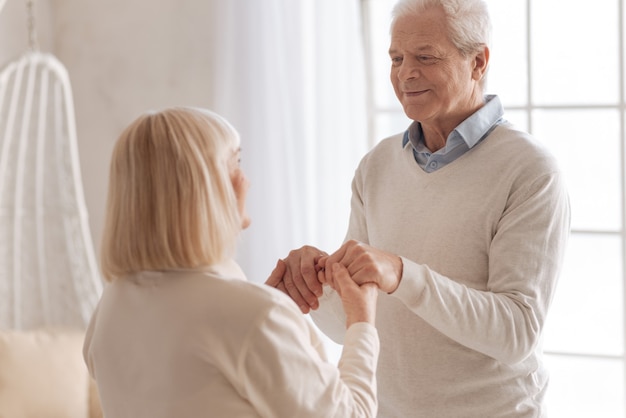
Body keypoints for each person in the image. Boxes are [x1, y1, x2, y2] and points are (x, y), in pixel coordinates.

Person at [266, 0, 570, 417]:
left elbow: (516, 333)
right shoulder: (376, 166)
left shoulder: (530, 170)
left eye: (425, 57)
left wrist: (403, 274)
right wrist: (315, 286)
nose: (405, 73)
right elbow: (355, 324)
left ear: (478, 62)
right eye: (396, 58)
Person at [82, 107, 381, 417]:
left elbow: (188, 382)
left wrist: (269, 313)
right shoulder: (254, 317)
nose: (246, 181)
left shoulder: (111, 303)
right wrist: (361, 321)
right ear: (202, 190)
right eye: (235, 162)